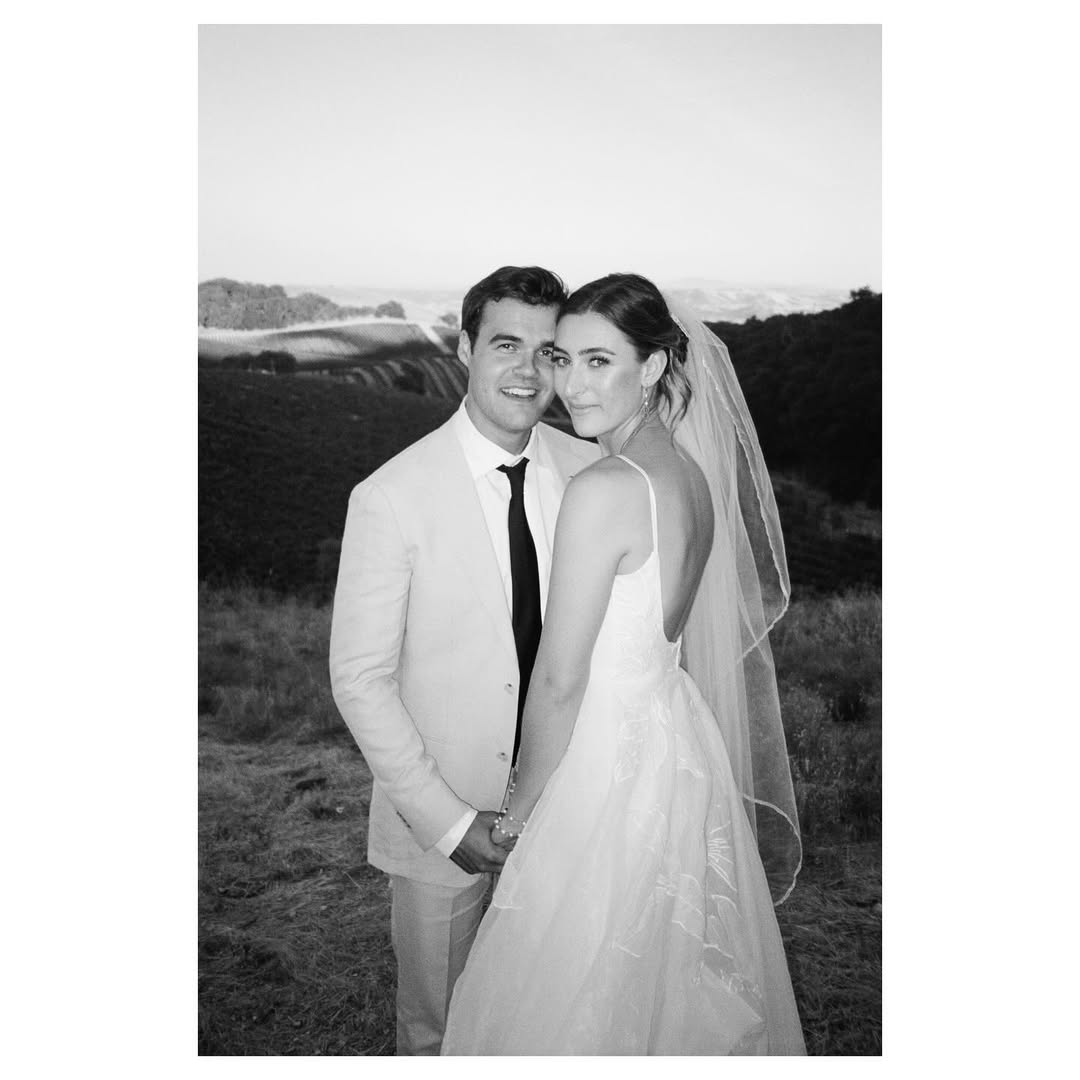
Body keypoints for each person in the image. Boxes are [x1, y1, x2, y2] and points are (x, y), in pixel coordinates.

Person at [441, 274, 806, 1055]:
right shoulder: (690, 478)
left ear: (652, 366)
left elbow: (561, 680)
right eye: (563, 359)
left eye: (598, 361)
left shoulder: (604, 488)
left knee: (569, 990)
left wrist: (518, 817)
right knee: (666, 978)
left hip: (600, 767)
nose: (571, 385)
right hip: (671, 749)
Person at [328, 266, 600, 1055]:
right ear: (464, 349)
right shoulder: (391, 496)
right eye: (506, 345)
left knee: (552, 1016)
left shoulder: (590, 475)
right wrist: (449, 823)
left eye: (549, 352)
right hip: (441, 826)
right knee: (437, 1030)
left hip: (572, 811)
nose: (528, 371)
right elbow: (360, 680)